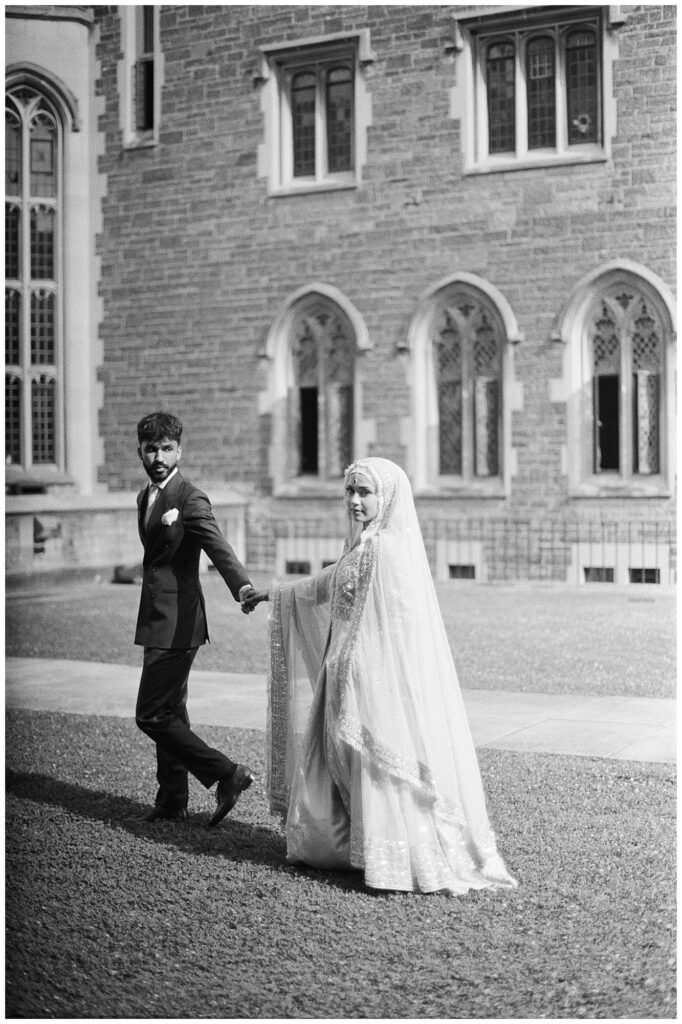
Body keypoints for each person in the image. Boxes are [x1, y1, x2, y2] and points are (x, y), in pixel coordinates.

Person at [248, 457, 517, 895]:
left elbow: (402, 619)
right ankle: (345, 844)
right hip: (344, 668)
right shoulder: (364, 544)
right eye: (350, 491)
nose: (355, 501)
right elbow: (329, 584)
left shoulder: (385, 549)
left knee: (376, 766)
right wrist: (274, 595)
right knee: (342, 760)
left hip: (369, 674)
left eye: (364, 493)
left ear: (386, 497)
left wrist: (362, 667)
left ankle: (388, 855)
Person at [134, 411, 258, 826]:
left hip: (180, 623)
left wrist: (241, 586)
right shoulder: (145, 497)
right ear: (141, 452)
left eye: (167, 448)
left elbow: (216, 545)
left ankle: (227, 773)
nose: (159, 457)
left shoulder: (189, 498)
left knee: (150, 714)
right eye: (151, 449)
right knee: (172, 711)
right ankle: (172, 800)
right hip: (155, 618)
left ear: (179, 451)